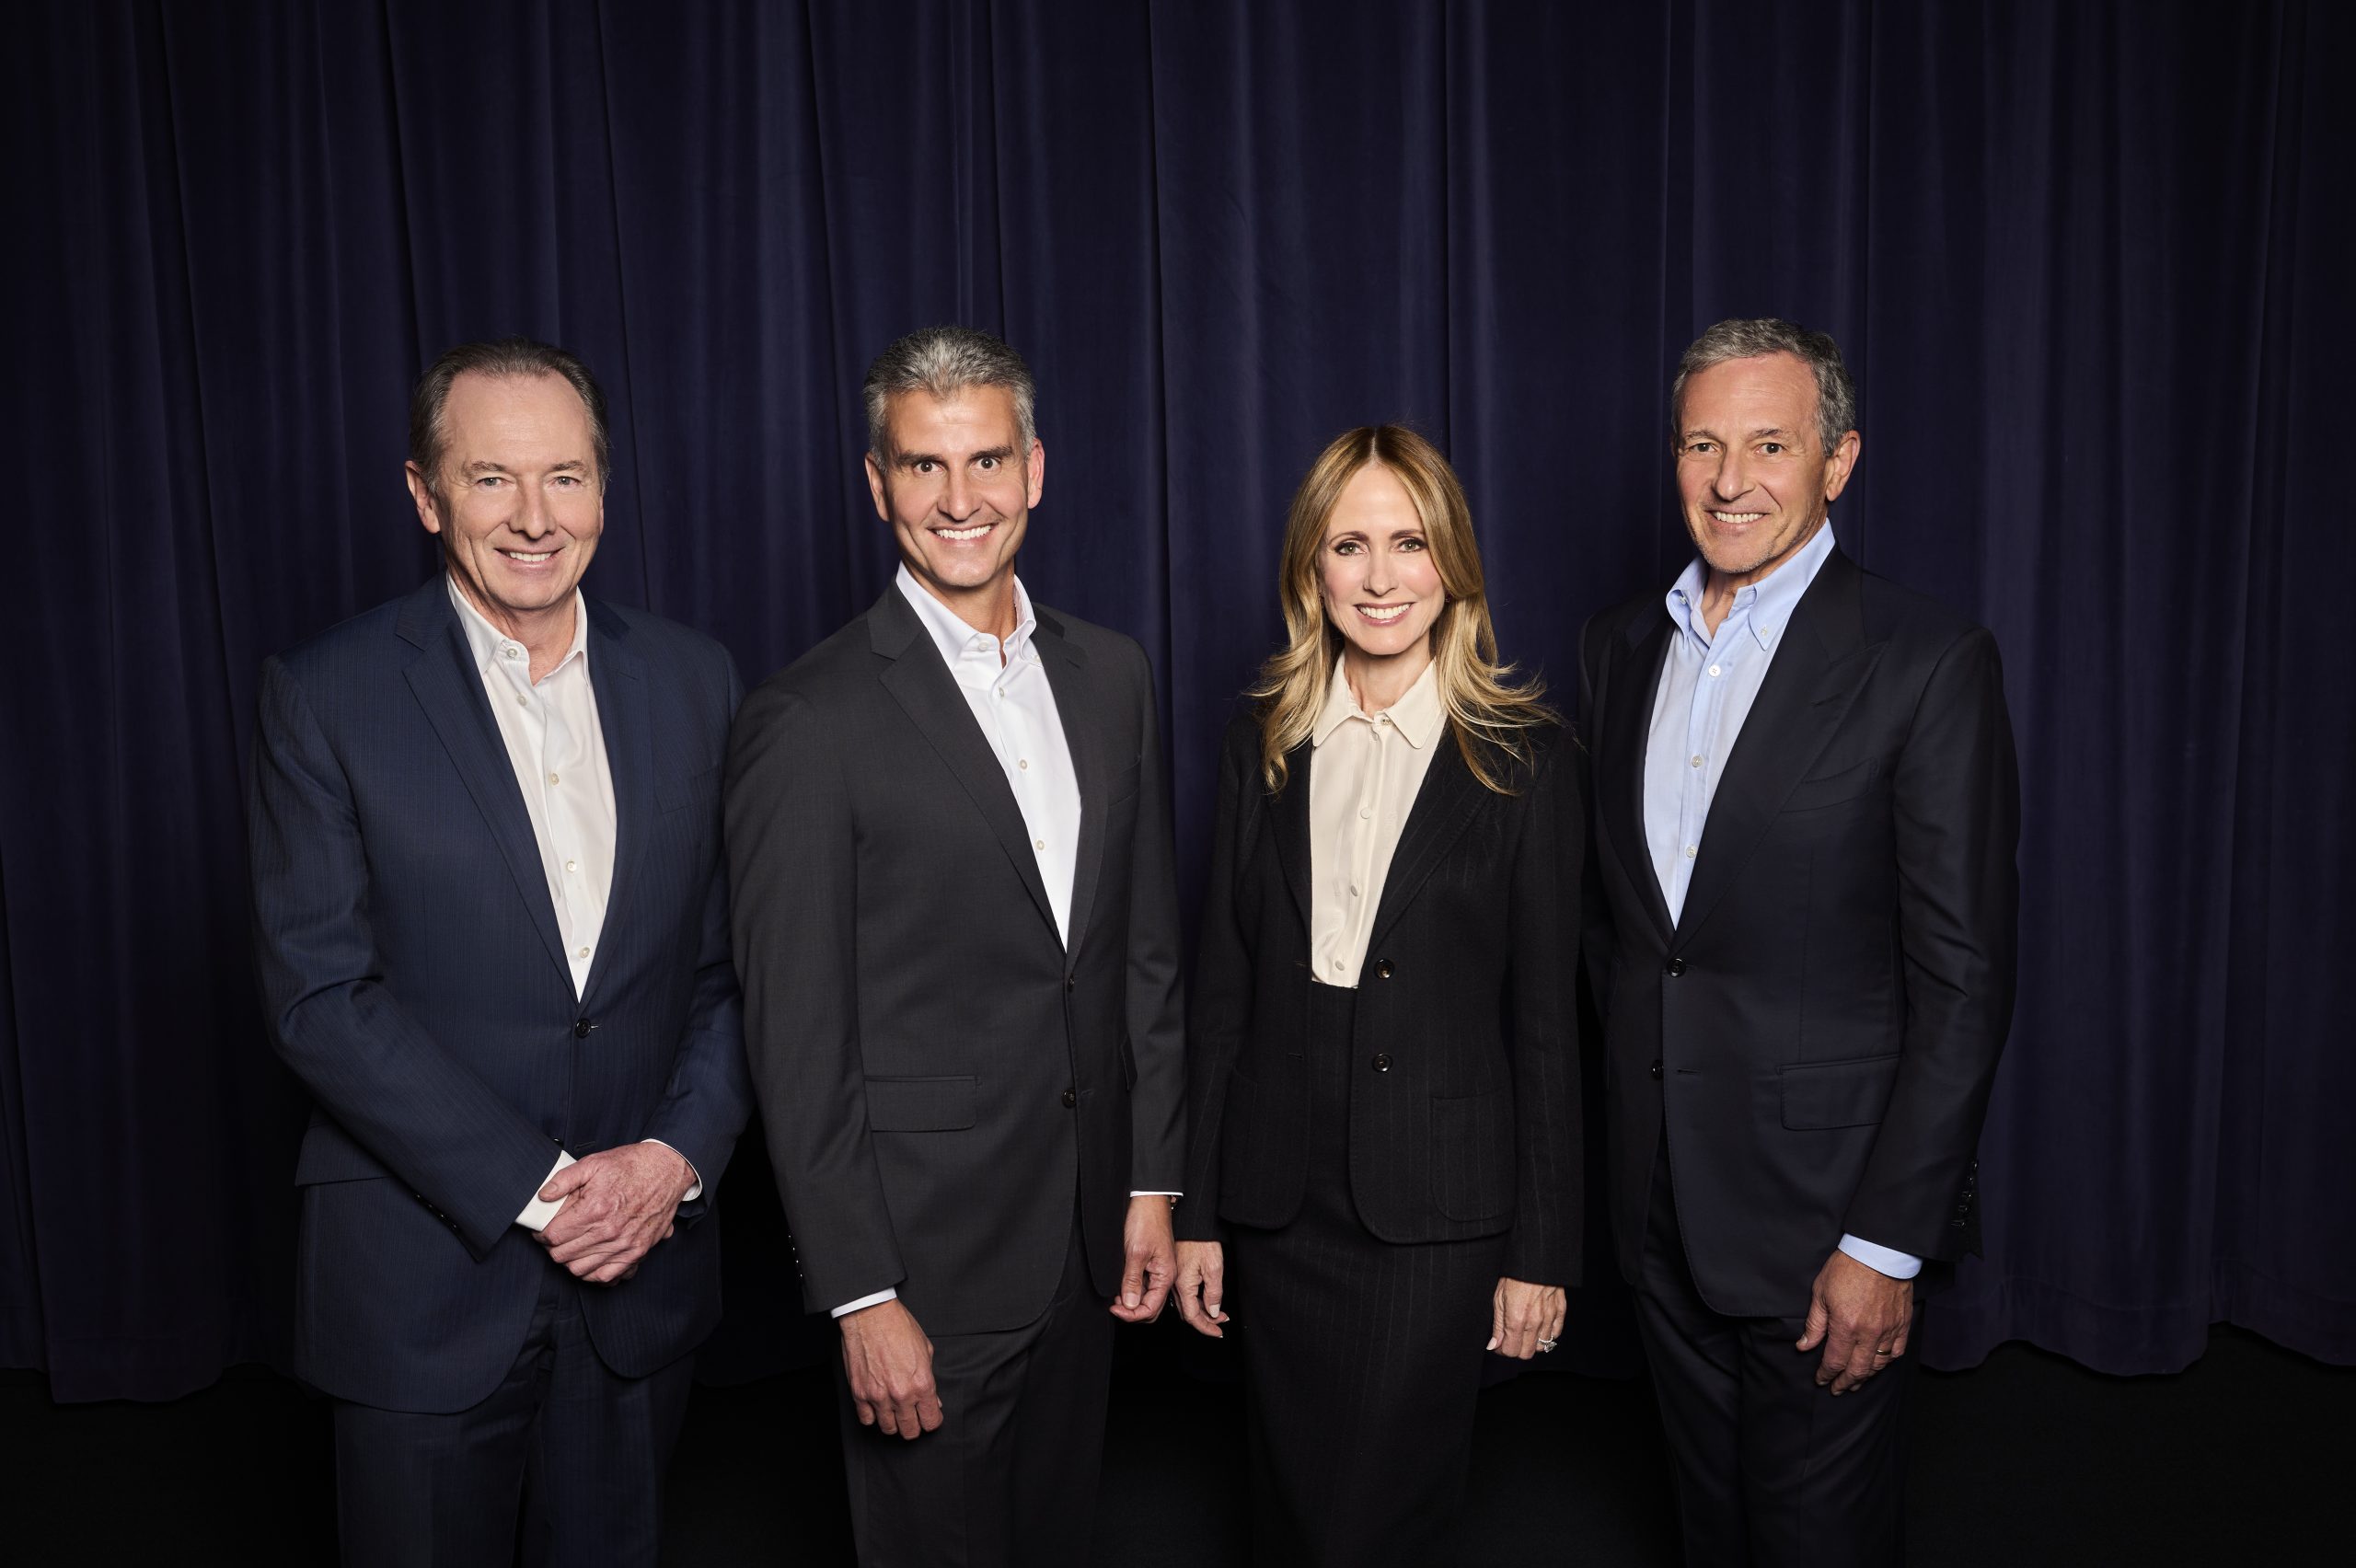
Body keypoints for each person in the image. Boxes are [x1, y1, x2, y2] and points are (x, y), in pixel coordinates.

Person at [248, 338, 753, 1565]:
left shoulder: (698, 679)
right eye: (490, 480)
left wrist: (673, 1160)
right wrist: (544, 1192)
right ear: (425, 494)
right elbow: (321, 997)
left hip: (642, 1277)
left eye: (565, 478)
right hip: (422, 1285)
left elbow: (740, 967)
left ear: (603, 489)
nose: (534, 518)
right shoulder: (326, 695)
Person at [723, 325, 1186, 1567]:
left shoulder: (1113, 676)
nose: (961, 498)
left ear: (1036, 469)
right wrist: (861, 1292)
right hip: (924, 1269)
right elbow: (796, 1040)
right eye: (924, 469)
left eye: (986, 462)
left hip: (1088, 1235)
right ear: (879, 487)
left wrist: (1151, 1180)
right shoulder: (805, 720)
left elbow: (1140, 949)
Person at [1579, 318, 2020, 1565]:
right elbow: (1623, 942)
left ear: (1839, 462)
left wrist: (1886, 1245)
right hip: (1657, 1215)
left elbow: (1964, 980)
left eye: (1770, 444)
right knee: (1707, 1533)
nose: (1731, 480)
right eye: (1703, 444)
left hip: (1829, 1236)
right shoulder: (1619, 649)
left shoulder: (1926, 663)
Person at [1170, 425, 1585, 1565]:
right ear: (1312, 569)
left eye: (1407, 542)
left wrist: (1543, 1246)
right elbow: (1222, 996)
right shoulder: (1263, 740)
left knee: (1376, 1521)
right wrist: (1199, 1209)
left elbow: (1548, 1027)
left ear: (1450, 561)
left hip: (1437, 1215)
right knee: (1290, 1513)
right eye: (1348, 546)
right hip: (1276, 1201)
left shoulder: (1525, 759)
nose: (1380, 576)